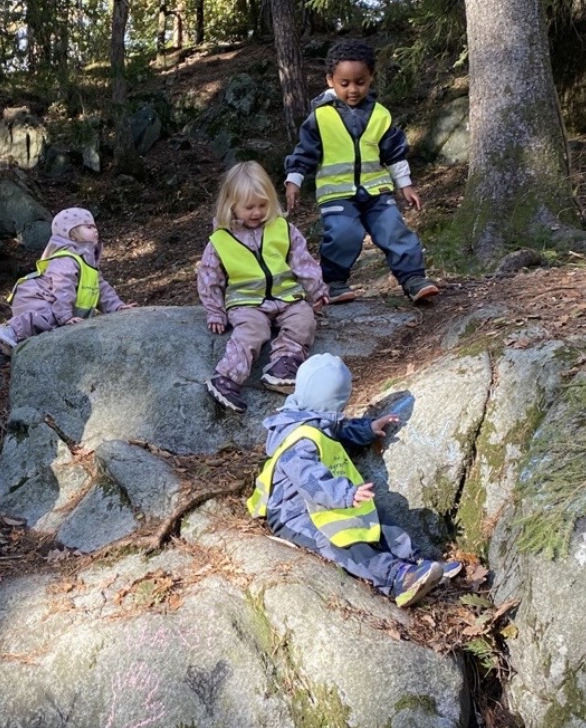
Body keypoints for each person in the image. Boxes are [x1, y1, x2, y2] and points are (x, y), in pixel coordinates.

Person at [248, 354, 461, 607]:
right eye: (339, 404)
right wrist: (346, 494)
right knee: (339, 542)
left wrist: (369, 429)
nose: (341, 411)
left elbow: (340, 430)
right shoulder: (299, 437)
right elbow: (309, 480)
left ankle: (420, 564)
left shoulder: (312, 417)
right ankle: (397, 578)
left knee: (377, 515)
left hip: (328, 503)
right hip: (292, 514)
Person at [284, 38, 439, 305]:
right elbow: (304, 152)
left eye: (361, 82)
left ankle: (413, 279)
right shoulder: (319, 117)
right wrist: (293, 180)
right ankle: (332, 283)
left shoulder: (380, 115)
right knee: (344, 234)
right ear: (330, 80)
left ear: (371, 79)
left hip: (377, 192)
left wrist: (406, 184)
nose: (353, 89)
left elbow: (394, 152)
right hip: (337, 195)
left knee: (394, 230)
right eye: (345, 83)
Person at [197, 161, 328, 414]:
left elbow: (303, 261)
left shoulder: (283, 229)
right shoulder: (221, 240)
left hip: (287, 296)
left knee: (304, 320)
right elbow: (209, 276)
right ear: (231, 205)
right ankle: (226, 378)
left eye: (262, 205)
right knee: (251, 332)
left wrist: (317, 290)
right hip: (247, 302)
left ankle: (283, 365)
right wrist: (215, 310)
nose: (256, 212)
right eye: (249, 207)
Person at [0, 207, 133, 361]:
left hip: (50, 300)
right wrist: (65, 316)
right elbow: (63, 287)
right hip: (34, 295)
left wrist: (117, 307)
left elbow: (101, 289)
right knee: (48, 317)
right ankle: (10, 330)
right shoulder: (67, 258)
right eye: (88, 227)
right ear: (72, 234)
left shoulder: (88, 263)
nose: (95, 230)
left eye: (94, 226)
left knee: (35, 334)